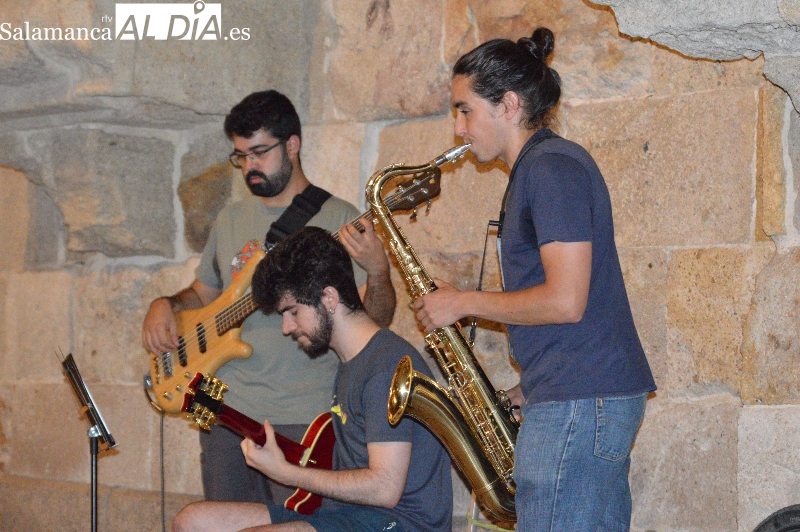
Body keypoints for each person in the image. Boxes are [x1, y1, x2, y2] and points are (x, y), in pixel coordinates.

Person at [413, 28, 656, 531]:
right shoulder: (542, 168)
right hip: (575, 393)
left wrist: (462, 303)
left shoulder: (550, 169)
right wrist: (531, 386)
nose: (458, 128)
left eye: (464, 110)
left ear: (507, 104)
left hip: (578, 402)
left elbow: (566, 300)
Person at [142, 90, 396, 507]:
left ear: (292, 145)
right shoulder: (231, 218)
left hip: (304, 417)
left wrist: (379, 271)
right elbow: (202, 293)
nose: (249, 166)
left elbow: (376, 321)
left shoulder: (339, 219)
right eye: (240, 156)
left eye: (259, 152)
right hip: (226, 413)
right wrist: (165, 304)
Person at [172, 226, 453, 532]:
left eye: (292, 311)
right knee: (192, 521)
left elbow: (385, 489)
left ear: (329, 298)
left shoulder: (386, 365)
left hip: (399, 523)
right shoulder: (349, 363)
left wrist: (287, 473)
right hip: (344, 515)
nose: (286, 327)